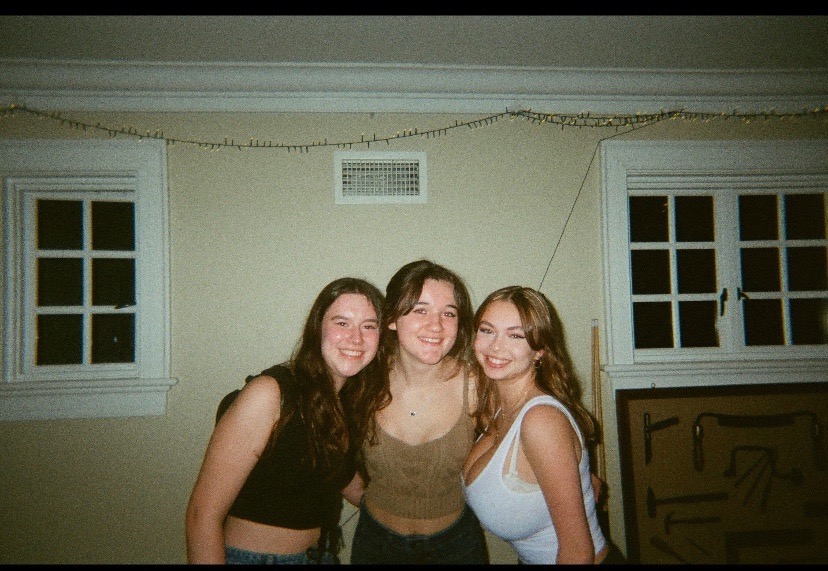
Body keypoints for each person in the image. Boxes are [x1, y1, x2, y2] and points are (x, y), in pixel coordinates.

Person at [185, 277, 384, 564]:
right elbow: (202, 515)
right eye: (342, 323)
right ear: (317, 329)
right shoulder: (270, 393)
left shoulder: (343, 402)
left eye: (369, 326)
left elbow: (347, 480)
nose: (356, 338)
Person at [462, 286, 625, 564]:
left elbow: (578, 552)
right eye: (487, 330)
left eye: (515, 335)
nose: (495, 346)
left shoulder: (541, 422)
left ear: (540, 350)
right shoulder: (498, 404)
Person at [346, 259, 490, 564]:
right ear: (392, 319)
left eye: (448, 313)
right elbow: (330, 450)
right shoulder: (362, 380)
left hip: (456, 546)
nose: (436, 326)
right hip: (376, 545)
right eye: (420, 310)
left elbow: (522, 436)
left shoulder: (477, 384)